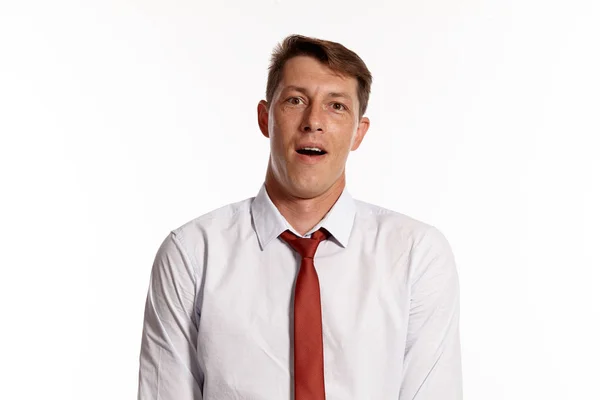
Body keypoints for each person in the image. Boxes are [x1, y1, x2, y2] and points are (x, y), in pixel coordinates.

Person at [137, 34, 462, 400]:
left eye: (336, 106)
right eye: (295, 100)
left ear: (359, 132)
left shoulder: (416, 254)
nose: (313, 121)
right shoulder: (192, 254)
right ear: (265, 117)